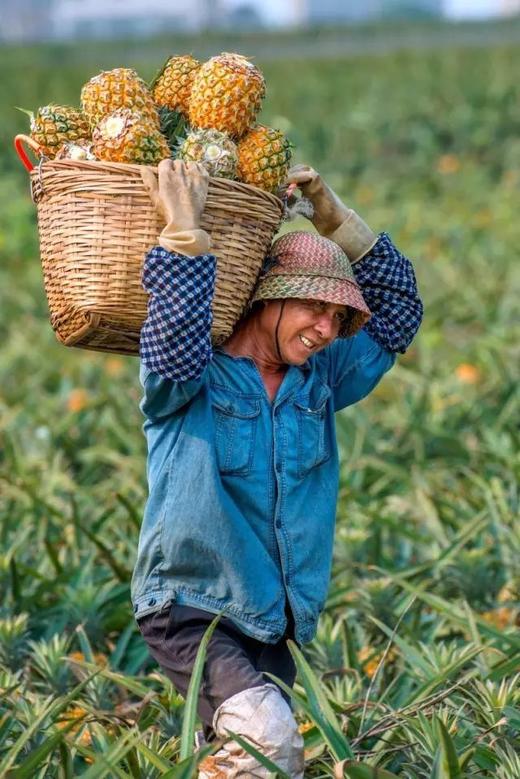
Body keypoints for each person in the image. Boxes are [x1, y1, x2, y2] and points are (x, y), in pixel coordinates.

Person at [132, 159, 423, 778]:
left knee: (256, 760)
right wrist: (185, 234)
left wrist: (332, 214)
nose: (326, 329)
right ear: (268, 298)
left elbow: (398, 310)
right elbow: (173, 331)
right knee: (268, 738)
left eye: (339, 317)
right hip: (192, 602)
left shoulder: (320, 378)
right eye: (314, 308)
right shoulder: (192, 374)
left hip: (274, 614)